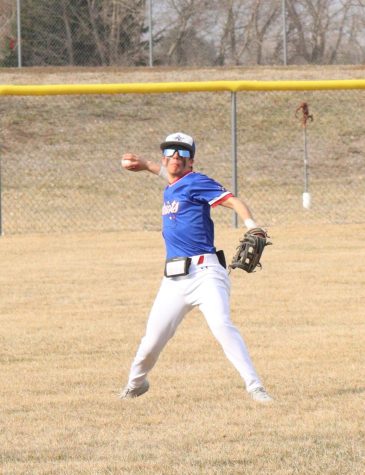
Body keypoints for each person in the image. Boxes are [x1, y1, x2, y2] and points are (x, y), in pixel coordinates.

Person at [119, 132, 273, 403]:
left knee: (222, 326)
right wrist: (144, 164)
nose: (176, 156)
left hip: (206, 274)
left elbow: (233, 200)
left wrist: (252, 225)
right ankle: (135, 384)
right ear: (164, 157)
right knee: (151, 342)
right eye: (171, 152)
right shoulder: (172, 182)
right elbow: (165, 173)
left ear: (192, 161)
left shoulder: (197, 181)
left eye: (183, 153)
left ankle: (255, 387)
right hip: (174, 280)